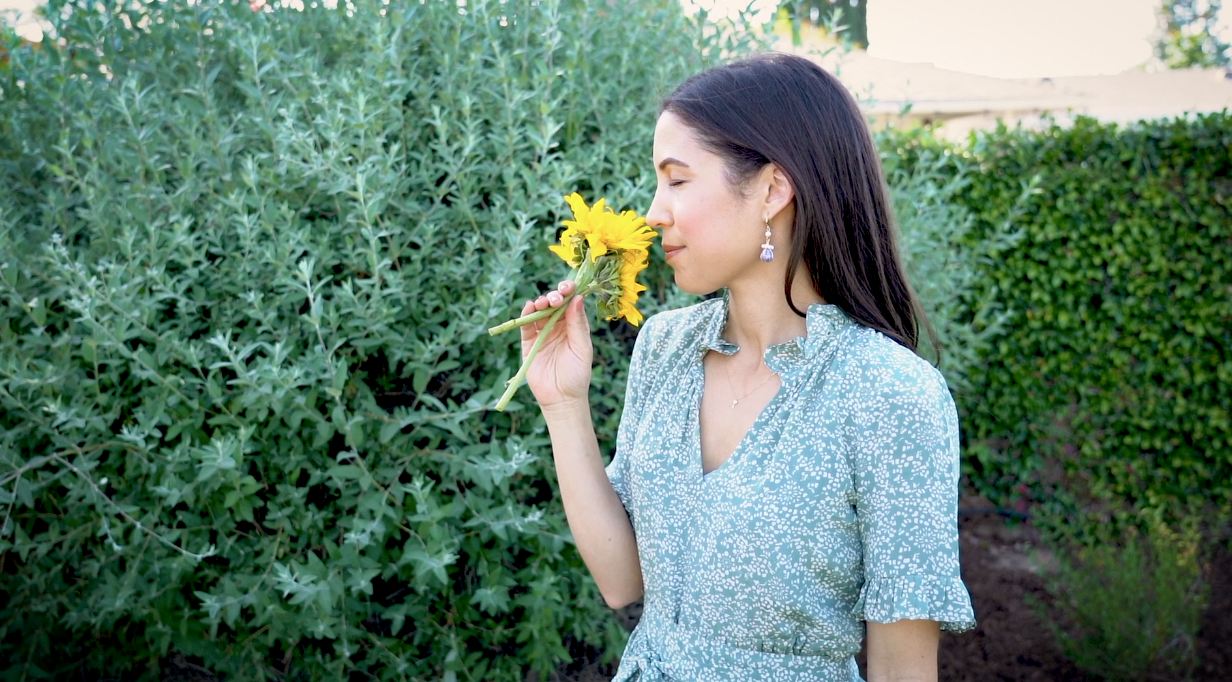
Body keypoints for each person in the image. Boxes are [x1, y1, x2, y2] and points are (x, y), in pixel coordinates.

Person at [516, 53, 974, 682]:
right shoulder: (666, 348)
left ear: (772, 190)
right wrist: (563, 404)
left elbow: (902, 669)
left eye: (677, 181)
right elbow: (622, 582)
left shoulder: (888, 392)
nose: (652, 213)